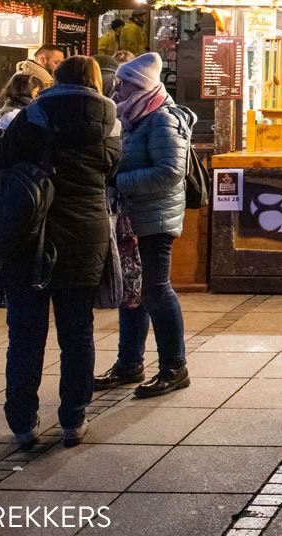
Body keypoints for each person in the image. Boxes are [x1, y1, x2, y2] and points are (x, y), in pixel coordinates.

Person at [0, 56, 120, 450]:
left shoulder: (34, 114)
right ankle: (73, 420)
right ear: (95, 80)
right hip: (84, 234)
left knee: (25, 335)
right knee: (78, 333)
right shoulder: (111, 118)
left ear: (54, 79)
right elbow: (112, 167)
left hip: (31, 233)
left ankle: (23, 423)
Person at [95, 53, 196, 399]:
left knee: (155, 290)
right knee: (131, 291)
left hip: (155, 219)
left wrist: (119, 181)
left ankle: (174, 366)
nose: (118, 89)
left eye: (125, 83)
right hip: (130, 218)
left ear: (141, 85)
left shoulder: (163, 119)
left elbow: (171, 172)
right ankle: (129, 363)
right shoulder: (131, 116)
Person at [0, 72, 44, 160]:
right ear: (28, 92)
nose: (38, 97)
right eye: (37, 93)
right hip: (12, 171)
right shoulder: (22, 116)